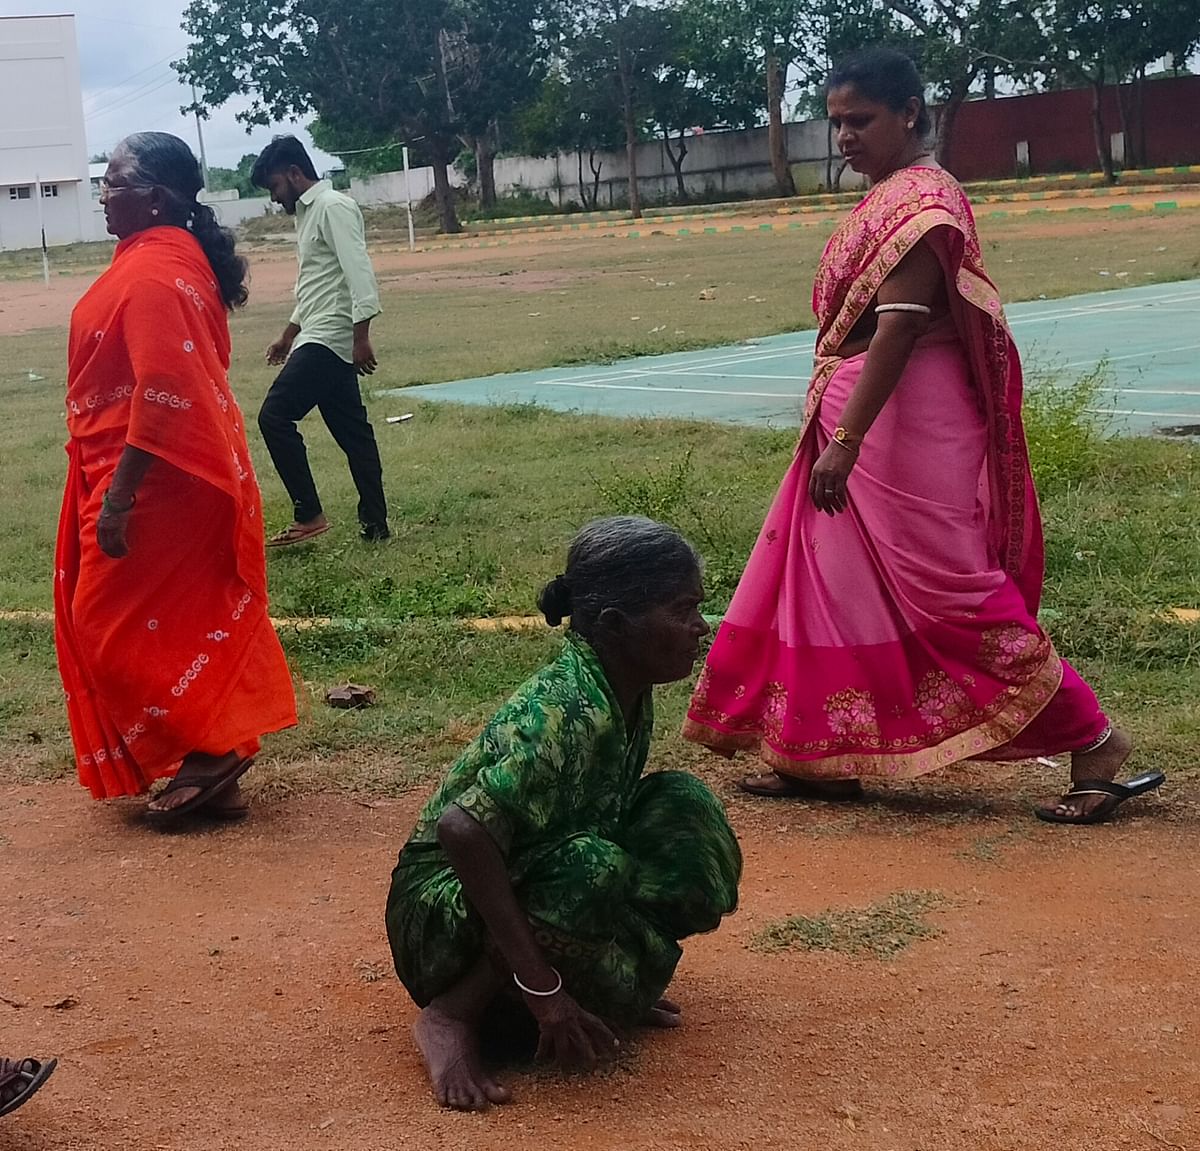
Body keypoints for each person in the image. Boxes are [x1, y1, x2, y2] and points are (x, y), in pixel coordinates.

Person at [681, 48, 1163, 826]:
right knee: (834, 584)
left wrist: (847, 438)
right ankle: (825, 753)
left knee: (952, 591)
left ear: (909, 112)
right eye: (835, 121)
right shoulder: (886, 196)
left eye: (860, 120)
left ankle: (1095, 738)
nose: (843, 136)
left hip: (905, 426)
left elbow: (901, 326)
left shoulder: (926, 201)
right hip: (865, 418)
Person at [386, 517, 742, 1111]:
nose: (700, 628)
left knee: (684, 812)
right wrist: (545, 990)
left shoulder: (625, 681)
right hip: (438, 912)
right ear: (616, 626)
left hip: (533, 870)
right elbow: (461, 830)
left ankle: (591, 990)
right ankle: (453, 1013)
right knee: (593, 866)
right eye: (683, 610)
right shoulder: (565, 711)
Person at [55, 133, 298, 825]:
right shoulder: (158, 259)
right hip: (159, 466)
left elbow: (163, 388)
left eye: (113, 181)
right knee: (184, 614)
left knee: (99, 617)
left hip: (158, 475)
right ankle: (214, 756)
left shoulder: (159, 272)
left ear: (155, 196)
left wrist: (122, 497)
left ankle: (212, 754)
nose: (102, 193)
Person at [250, 136, 390, 545]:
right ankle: (375, 526)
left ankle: (309, 514)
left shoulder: (333, 207)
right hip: (318, 332)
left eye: (275, 187)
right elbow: (317, 282)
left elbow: (357, 270)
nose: (275, 198)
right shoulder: (308, 215)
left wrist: (361, 335)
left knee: (274, 417)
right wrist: (287, 335)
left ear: (295, 174)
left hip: (331, 337)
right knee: (354, 435)